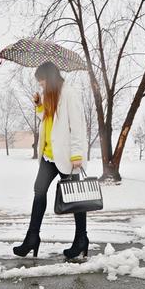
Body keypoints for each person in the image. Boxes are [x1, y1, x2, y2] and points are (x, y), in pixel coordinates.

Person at [13, 61, 89, 259]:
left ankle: (81, 239)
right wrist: (39, 105)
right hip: (48, 156)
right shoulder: (49, 96)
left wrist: (77, 155)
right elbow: (46, 120)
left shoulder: (69, 95)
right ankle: (32, 238)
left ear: (51, 78)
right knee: (39, 192)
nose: (41, 86)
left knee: (76, 199)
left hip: (67, 157)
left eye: (42, 82)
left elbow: (78, 127)